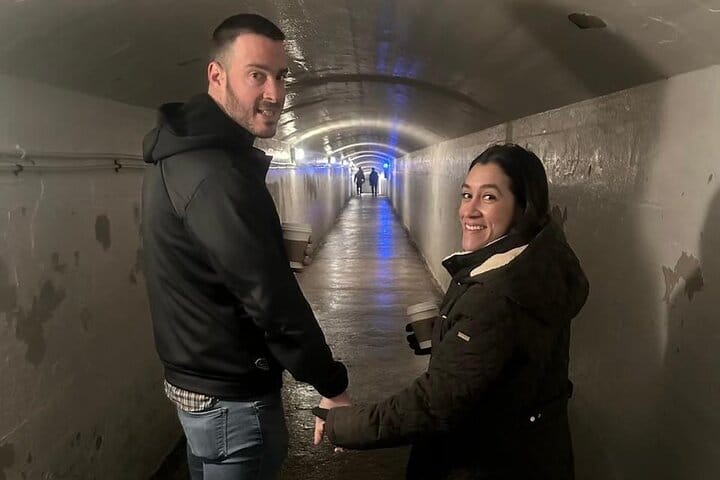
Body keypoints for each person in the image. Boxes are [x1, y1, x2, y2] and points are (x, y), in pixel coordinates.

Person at [141, 13, 350, 480]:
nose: (275, 93)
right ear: (216, 75)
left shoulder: (179, 152)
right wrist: (331, 383)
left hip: (197, 383)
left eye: (281, 76)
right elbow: (271, 301)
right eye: (257, 75)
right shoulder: (217, 174)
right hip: (232, 399)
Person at [314, 144, 589, 479]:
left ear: (523, 208)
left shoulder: (496, 295)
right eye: (466, 194)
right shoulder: (538, 264)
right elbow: (507, 349)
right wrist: (447, 330)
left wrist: (342, 424)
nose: (469, 210)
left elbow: (433, 404)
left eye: (489, 197)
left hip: (486, 462)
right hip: (532, 452)